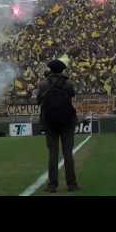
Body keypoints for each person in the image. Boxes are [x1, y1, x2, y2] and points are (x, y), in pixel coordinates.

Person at [37, 59, 80, 193]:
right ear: (62, 70)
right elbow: (72, 96)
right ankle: (71, 184)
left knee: (53, 154)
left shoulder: (43, 84)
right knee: (68, 154)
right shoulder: (68, 83)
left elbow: (38, 101)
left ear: (50, 69)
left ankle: (52, 185)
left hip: (50, 122)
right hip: (67, 121)